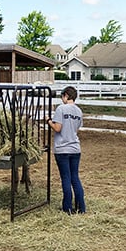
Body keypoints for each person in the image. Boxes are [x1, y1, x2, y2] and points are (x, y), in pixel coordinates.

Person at [46, 86, 86, 214]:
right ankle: (81, 207)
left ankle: (67, 207)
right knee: (75, 177)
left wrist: (49, 121)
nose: (62, 99)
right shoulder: (79, 111)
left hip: (62, 148)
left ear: (66, 96)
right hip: (75, 148)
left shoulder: (61, 109)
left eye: (62, 96)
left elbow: (58, 128)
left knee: (66, 178)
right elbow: (76, 129)